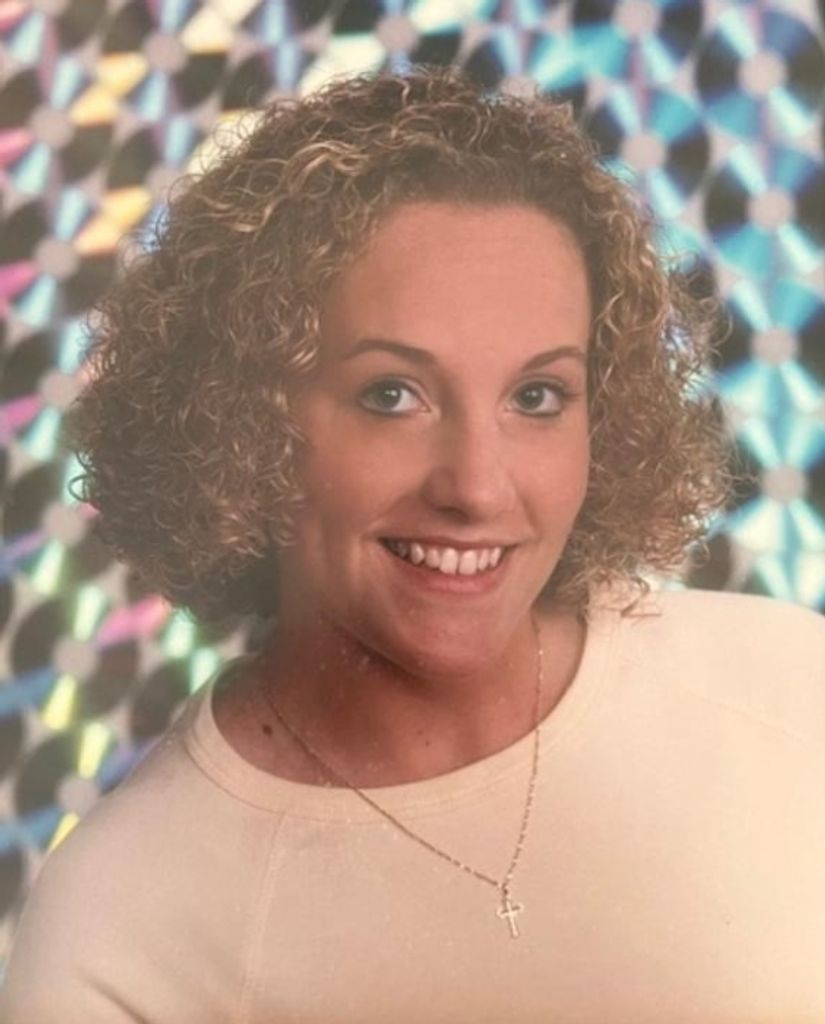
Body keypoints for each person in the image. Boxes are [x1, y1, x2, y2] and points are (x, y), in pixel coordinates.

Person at [2, 67, 824, 1024]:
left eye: (537, 397)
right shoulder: (121, 930)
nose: (475, 488)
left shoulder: (787, 690)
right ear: (242, 419)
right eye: (391, 395)